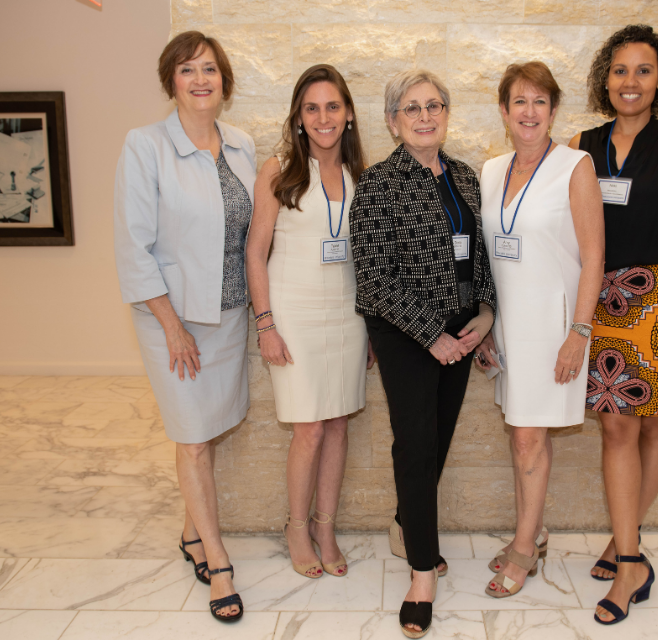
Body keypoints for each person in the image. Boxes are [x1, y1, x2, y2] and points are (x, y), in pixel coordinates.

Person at [569, 24, 658, 625]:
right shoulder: (580, 143)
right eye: (621, 70)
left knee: (656, 425)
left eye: (644, 70)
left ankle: (623, 541)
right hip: (604, 301)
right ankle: (632, 558)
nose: (631, 81)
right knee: (616, 429)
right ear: (607, 78)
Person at [350, 69, 496, 638]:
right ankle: (420, 573)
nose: (425, 115)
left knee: (439, 435)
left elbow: (479, 254)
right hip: (407, 334)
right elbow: (373, 279)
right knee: (415, 442)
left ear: (446, 112)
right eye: (411, 108)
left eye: (434, 105)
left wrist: (484, 316)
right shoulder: (378, 184)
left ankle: (404, 524)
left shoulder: (464, 175)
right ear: (393, 121)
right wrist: (430, 333)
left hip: (461, 331)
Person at [113, 31, 253, 622]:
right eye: (188, 70)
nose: (200, 80)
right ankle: (217, 562)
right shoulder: (144, 146)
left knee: (209, 430)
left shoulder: (243, 144)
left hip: (230, 313)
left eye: (210, 70)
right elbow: (132, 245)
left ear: (225, 82)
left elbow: (257, 230)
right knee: (192, 437)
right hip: (173, 319)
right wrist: (171, 326)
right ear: (171, 80)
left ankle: (192, 533)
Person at [474, 62, 604, 599]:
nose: (529, 112)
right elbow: (484, 257)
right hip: (508, 326)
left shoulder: (575, 166)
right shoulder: (490, 169)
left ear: (553, 111)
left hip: (555, 326)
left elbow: (595, 253)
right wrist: (484, 327)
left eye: (540, 102)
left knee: (530, 436)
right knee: (521, 433)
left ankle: (525, 547)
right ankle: (534, 529)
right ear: (503, 112)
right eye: (519, 102)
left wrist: (580, 331)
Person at [245, 64, 374, 580]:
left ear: (348, 115)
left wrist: (371, 326)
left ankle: (326, 526)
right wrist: (266, 325)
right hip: (293, 313)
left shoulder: (360, 174)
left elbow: (367, 259)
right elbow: (255, 254)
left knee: (339, 423)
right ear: (299, 117)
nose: (324, 117)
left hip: (347, 314)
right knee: (310, 429)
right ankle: (296, 526)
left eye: (333, 106)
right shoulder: (277, 170)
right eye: (312, 108)